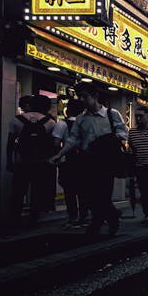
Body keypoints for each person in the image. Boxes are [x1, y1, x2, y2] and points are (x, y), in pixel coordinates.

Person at [49, 82, 128, 235]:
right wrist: (59, 155)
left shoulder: (112, 114)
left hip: (106, 161)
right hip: (88, 160)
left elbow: (122, 134)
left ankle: (99, 222)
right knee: (89, 194)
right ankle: (110, 217)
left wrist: (106, 142)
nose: (83, 100)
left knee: (103, 194)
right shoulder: (81, 119)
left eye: (86, 96)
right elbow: (73, 139)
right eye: (81, 97)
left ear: (95, 96)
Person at [7, 95, 58, 226]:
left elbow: (10, 143)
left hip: (22, 161)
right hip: (41, 162)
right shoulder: (50, 122)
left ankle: (14, 218)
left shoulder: (16, 120)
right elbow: (53, 145)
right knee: (37, 191)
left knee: (18, 191)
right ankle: (33, 219)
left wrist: (9, 161)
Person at [52, 98, 87, 228]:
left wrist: (59, 156)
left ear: (68, 110)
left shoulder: (62, 124)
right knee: (84, 191)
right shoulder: (86, 124)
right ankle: (83, 217)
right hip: (84, 162)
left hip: (67, 162)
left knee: (69, 192)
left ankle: (72, 218)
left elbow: (56, 143)